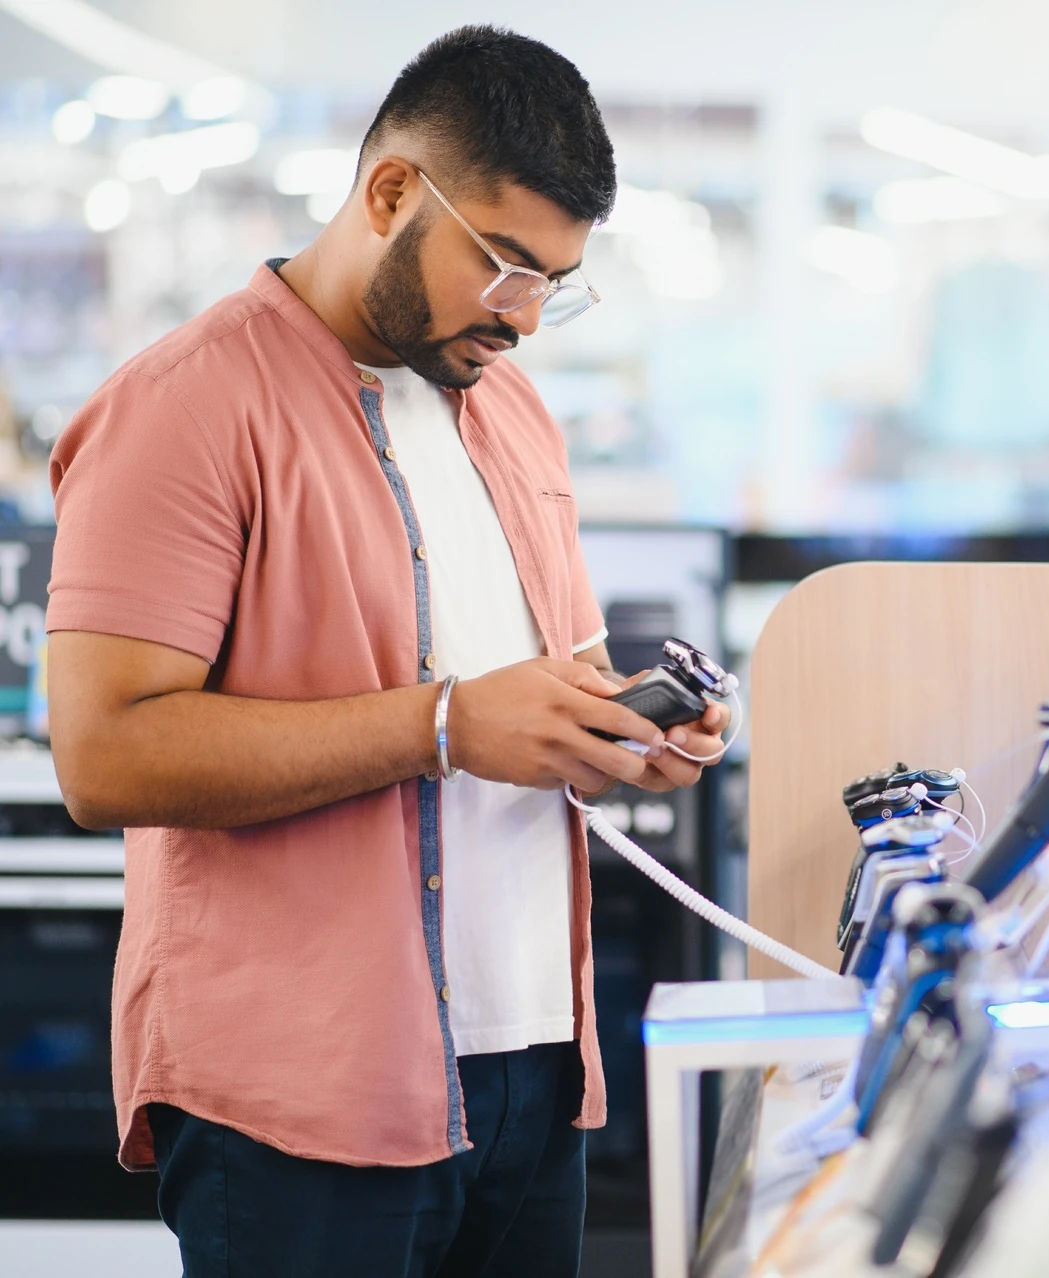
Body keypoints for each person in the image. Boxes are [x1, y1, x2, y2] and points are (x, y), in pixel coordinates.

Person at [43, 27, 720, 1277]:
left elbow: (536, 692)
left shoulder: (508, 408)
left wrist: (618, 735)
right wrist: (444, 724)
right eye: (507, 265)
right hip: (304, 1102)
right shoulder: (187, 404)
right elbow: (104, 752)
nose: (523, 318)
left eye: (554, 284)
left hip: (532, 1074)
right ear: (394, 192)